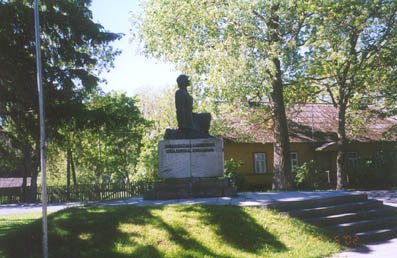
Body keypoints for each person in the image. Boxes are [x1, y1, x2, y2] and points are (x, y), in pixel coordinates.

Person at [166, 74, 211, 139]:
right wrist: (182, 125)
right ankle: (199, 132)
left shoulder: (185, 92)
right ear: (183, 81)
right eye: (187, 79)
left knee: (206, 116)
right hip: (186, 119)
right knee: (206, 116)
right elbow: (179, 109)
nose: (188, 80)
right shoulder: (180, 92)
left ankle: (204, 133)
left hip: (190, 115)